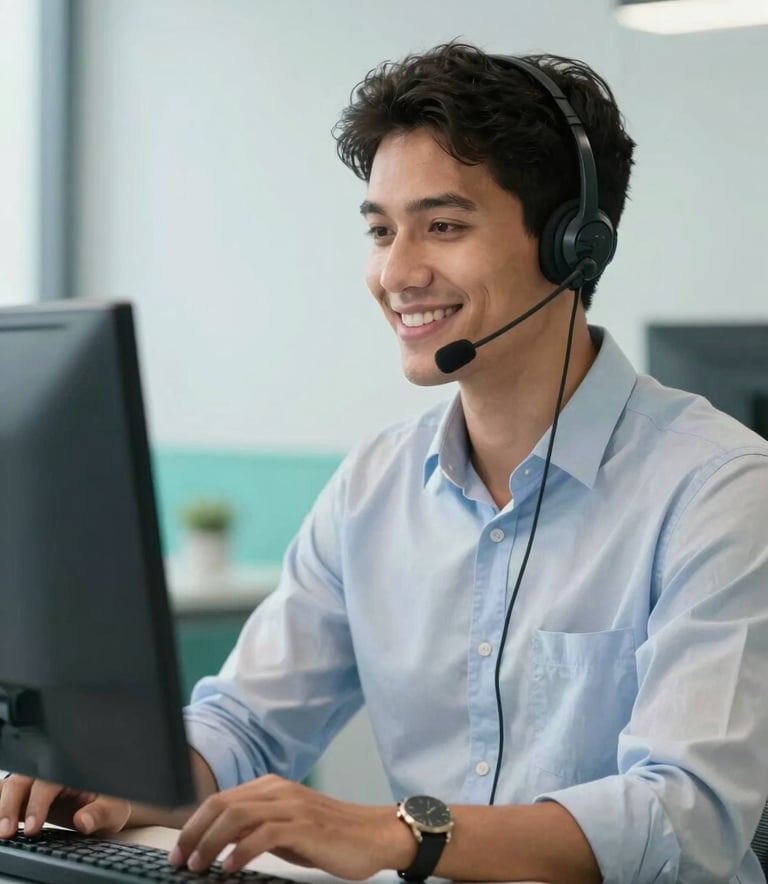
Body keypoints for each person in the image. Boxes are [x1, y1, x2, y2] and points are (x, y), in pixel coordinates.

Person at [2, 40, 768, 884]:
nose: (395, 272)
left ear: (572, 246)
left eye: (443, 226)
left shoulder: (721, 489)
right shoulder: (375, 485)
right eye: (380, 230)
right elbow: (247, 721)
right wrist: (117, 788)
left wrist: (404, 833)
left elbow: (682, 814)